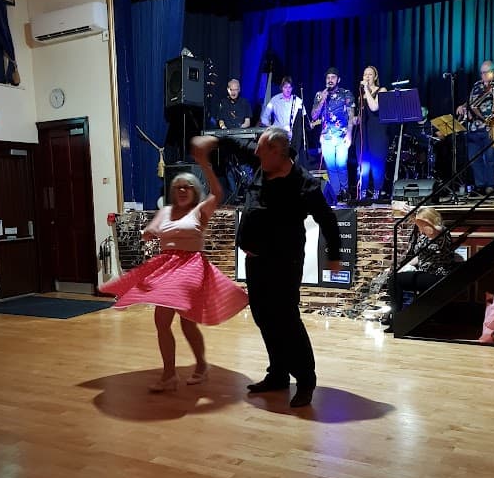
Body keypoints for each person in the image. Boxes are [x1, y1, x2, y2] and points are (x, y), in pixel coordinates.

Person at [100, 136, 248, 391]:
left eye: (186, 187)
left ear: (194, 191)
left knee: (184, 320)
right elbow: (152, 229)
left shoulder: (200, 211)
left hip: (191, 267)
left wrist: (204, 163)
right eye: (178, 187)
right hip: (167, 267)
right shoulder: (165, 212)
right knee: (166, 321)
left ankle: (199, 366)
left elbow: (218, 192)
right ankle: (173, 373)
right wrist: (148, 233)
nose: (181, 190)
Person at [236, 126, 341, 408]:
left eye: (261, 149)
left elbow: (327, 219)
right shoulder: (263, 163)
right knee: (263, 318)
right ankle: (278, 374)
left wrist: (334, 254)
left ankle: (306, 380)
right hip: (256, 260)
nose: (255, 153)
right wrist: (211, 142)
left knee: (286, 321)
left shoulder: (303, 183)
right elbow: (236, 147)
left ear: (278, 151)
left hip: (284, 261)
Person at [383, 206, 455, 331]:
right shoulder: (422, 235)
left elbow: (433, 231)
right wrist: (405, 267)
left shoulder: (442, 232)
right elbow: (420, 257)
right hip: (424, 272)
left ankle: (396, 319)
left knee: (395, 279)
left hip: (437, 274)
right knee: (393, 278)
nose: (418, 226)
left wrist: (415, 218)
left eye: (421, 223)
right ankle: (396, 316)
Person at [311, 67, 355, 202]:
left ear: (338, 79)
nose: (330, 80)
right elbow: (314, 116)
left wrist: (349, 134)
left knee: (341, 165)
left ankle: (345, 192)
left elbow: (351, 115)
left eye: (333, 77)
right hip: (326, 137)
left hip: (342, 136)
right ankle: (336, 195)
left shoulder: (346, 94)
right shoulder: (320, 94)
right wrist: (321, 100)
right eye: (328, 78)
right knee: (331, 167)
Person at [456, 60, 494, 197]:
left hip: (489, 128)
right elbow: (470, 101)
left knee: (490, 158)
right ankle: (480, 185)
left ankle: (490, 186)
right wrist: (462, 107)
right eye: (481, 73)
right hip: (473, 128)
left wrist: (477, 112)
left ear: (493, 71)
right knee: (474, 158)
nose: (483, 76)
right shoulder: (476, 85)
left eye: (486, 73)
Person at [354, 65, 388, 200]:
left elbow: (374, 107)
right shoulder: (361, 96)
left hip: (378, 132)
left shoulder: (382, 90)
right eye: (365, 74)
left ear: (375, 77)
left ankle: (377, 192)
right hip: (363, 133)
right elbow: (361, 114)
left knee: (377, 163)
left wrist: (367, 90)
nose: (367, 77)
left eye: (370, 74)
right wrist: (355, 119)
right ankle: (362, 191)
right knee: (363, 162)